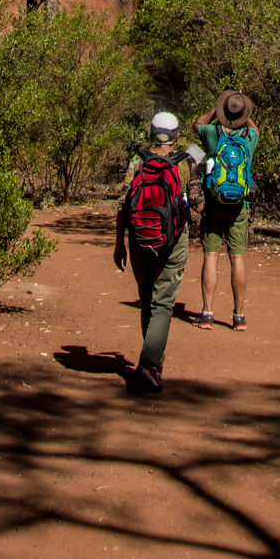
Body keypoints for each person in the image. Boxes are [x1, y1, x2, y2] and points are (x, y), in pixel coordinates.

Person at [115, 110, 201, 394]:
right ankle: (150, 363)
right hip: (173, 242)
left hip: (139, 240)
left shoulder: (138, 161)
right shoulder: (186, 163)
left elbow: (123, 205)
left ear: (151, 133)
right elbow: (198, 205)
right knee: (163, 303)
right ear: (176, 137)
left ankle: (151, 361)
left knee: (146, 298)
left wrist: (119, 243)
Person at [195, 89, 258, 330]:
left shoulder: (211, 133)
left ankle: (207, 313)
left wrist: (217, 111)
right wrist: (245, 112)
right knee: (237, 258)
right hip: (239, 205)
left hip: (213, 202)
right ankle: (239, 317)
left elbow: (198, 123)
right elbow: (256, 129)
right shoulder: (250, 136)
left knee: (211, 256)